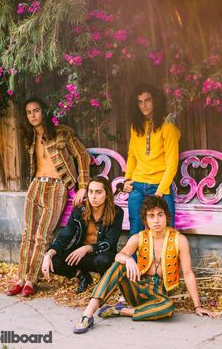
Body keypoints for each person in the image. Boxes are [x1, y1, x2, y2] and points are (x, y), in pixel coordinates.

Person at [73, 195, 214, 334]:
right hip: (136, 288)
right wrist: (128, 259)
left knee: (168, 308)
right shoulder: (138, 238)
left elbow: (188, 273)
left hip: (158, 295)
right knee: (119, 265)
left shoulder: (179, 240)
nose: (156, 220)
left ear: (167, 217)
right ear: (146, 220)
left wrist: (197, 306)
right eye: (151, 216)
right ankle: (87, 315)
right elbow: (118, 256)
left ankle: (122, 311)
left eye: (160, 215)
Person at [6, 97, 90, 297]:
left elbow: (82, 156)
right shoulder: (30, 138)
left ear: (43, 112)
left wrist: (83, 186)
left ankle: (32, 280)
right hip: (35, 186)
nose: (33, 115)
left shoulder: (62, 132)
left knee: (42, 235)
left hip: (56, 187)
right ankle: (21, 278)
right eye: (29, 112)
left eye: (36, 110)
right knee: (28, 234)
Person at [41, 176, 124, 293]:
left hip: (100, 255)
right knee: (53, 260)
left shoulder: (116, 212)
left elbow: (110, 242)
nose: (93, 196)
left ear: (107, 194)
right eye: (90, 192)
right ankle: (82, 276)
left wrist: (87, 248)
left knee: (104, 260)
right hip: (80, 256)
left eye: (98, 192)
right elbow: (65, 236)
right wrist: (48, 255)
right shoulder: (79, 211)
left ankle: (105, 281)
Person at [123, 83, 181, 236]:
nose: (144, 105)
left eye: (147, 100)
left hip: (159, 186)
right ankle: (134, 261)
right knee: (136, 230)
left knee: (166, 232)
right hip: (137, 186)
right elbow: (132, 155)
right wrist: (127, 179)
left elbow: (172, 164)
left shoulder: (168, 127)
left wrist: (160, 191)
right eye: (140, 102)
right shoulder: (136, 126)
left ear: (155, 100)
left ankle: (165, 261)